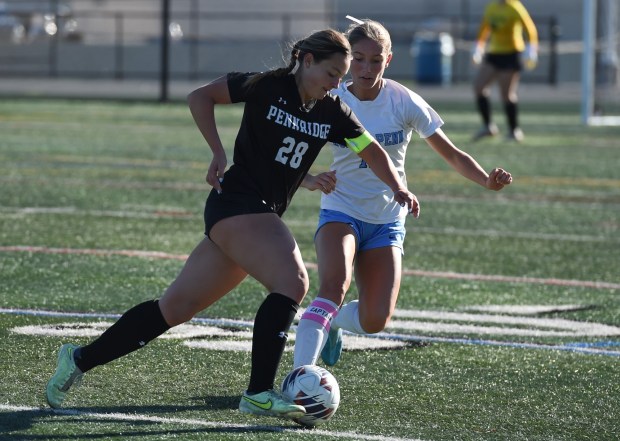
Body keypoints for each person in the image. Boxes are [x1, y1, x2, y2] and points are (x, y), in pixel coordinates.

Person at [44, 29, 420, 420]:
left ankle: (78, 359)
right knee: (293, 282)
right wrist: (217, 151)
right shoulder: (267, 86)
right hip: (236, 202)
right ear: (307, 61)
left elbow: (371, 150)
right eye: (332, 72)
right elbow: (200, 97)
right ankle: (258, 392)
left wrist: (398, 186)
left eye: (341, 76)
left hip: (257, 214)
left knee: (175, 308)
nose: (337, 83)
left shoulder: (332, 111)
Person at [292, 19, 513, 369]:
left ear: (388, 60)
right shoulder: (329, 99)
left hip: (386, 221)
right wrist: (310, 179)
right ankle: (299, 379)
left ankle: (330, 321)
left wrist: (487, 180)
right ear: (348, 59)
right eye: (359, 59)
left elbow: (452, 153)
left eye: (376, 60)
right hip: (341, 211)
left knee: (375, 320)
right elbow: (288, 153)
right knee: (334, 287)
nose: (367, 68)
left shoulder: (402, 100)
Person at [471, 0, 538, 142]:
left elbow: (530, 29)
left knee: (506, 94)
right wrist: (478, 47)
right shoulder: (491, 8)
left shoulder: (515, 8)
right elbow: (484, 28)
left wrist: (531, 49)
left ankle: (514, 131)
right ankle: (488, 126)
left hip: (511, 54)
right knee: (479, 87)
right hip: (494, 54)